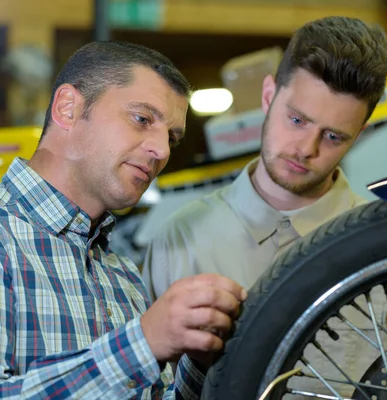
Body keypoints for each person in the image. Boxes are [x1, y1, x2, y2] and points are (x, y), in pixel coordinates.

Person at [142, 16, 387, 398]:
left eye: (333, 136)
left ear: (358, 136)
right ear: (268, 96)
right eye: (297, 119)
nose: (306, 148)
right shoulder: (179, 240)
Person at [0, 40, 247, 399]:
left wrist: (199, 358)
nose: (162, 151)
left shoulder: (122, 276)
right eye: (142, 119)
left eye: (171, 138)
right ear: (68, 108)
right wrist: (142, 345)